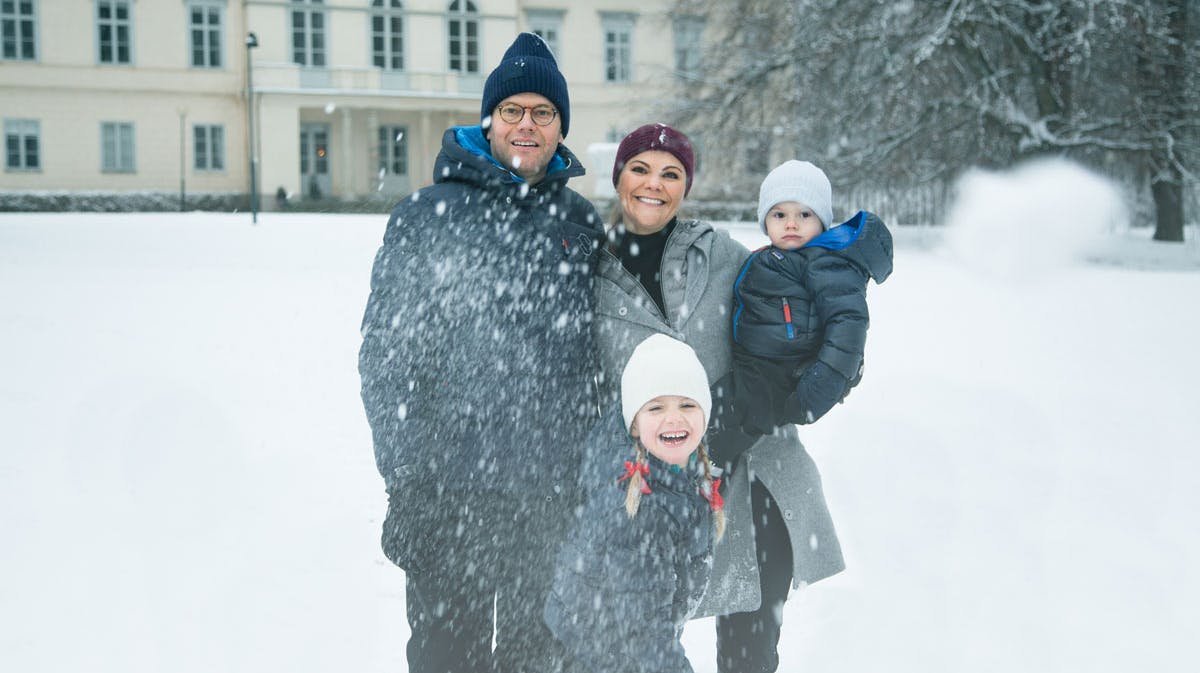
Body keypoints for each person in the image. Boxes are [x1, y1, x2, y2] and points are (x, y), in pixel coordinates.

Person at [357, 32, 602, 673]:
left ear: (560, 127)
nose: (527, 124)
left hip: (550, 504)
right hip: (450, 499)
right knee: (448, 661)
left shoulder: (580, 223)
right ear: (490, 119)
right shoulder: (426, 217)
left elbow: (597, 362)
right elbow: (388, 361)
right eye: (514, 110)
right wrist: (408, 486)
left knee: (537, 662)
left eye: (543, 113)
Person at [590, 123, 844, 673]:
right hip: (647, 493)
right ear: (618, 177)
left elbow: (796, 336)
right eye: (640, 169)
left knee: (749, 657)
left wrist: (833, 360)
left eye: (671, 173)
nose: (653, 184)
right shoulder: (590, 276)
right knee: (640, 649)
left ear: (686, 186)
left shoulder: (724, 256)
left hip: (753, 481)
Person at [545, 333, 725, 673]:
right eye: (656, 407)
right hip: (602, 657)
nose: (673, 418)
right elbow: (645, 635)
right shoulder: (643, 509)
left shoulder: (678, 472)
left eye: (687, 404)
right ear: (633, 424)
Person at [731, 159, 893, 436]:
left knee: (727, 427)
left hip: (781, 376)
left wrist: (822, 384)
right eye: (779, 215)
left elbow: (847, 326)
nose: (791, 224)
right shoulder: (777, 257)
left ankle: (709, 468)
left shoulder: (825, 263)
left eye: (805, 215)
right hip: (753, 368)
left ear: (822, 221)